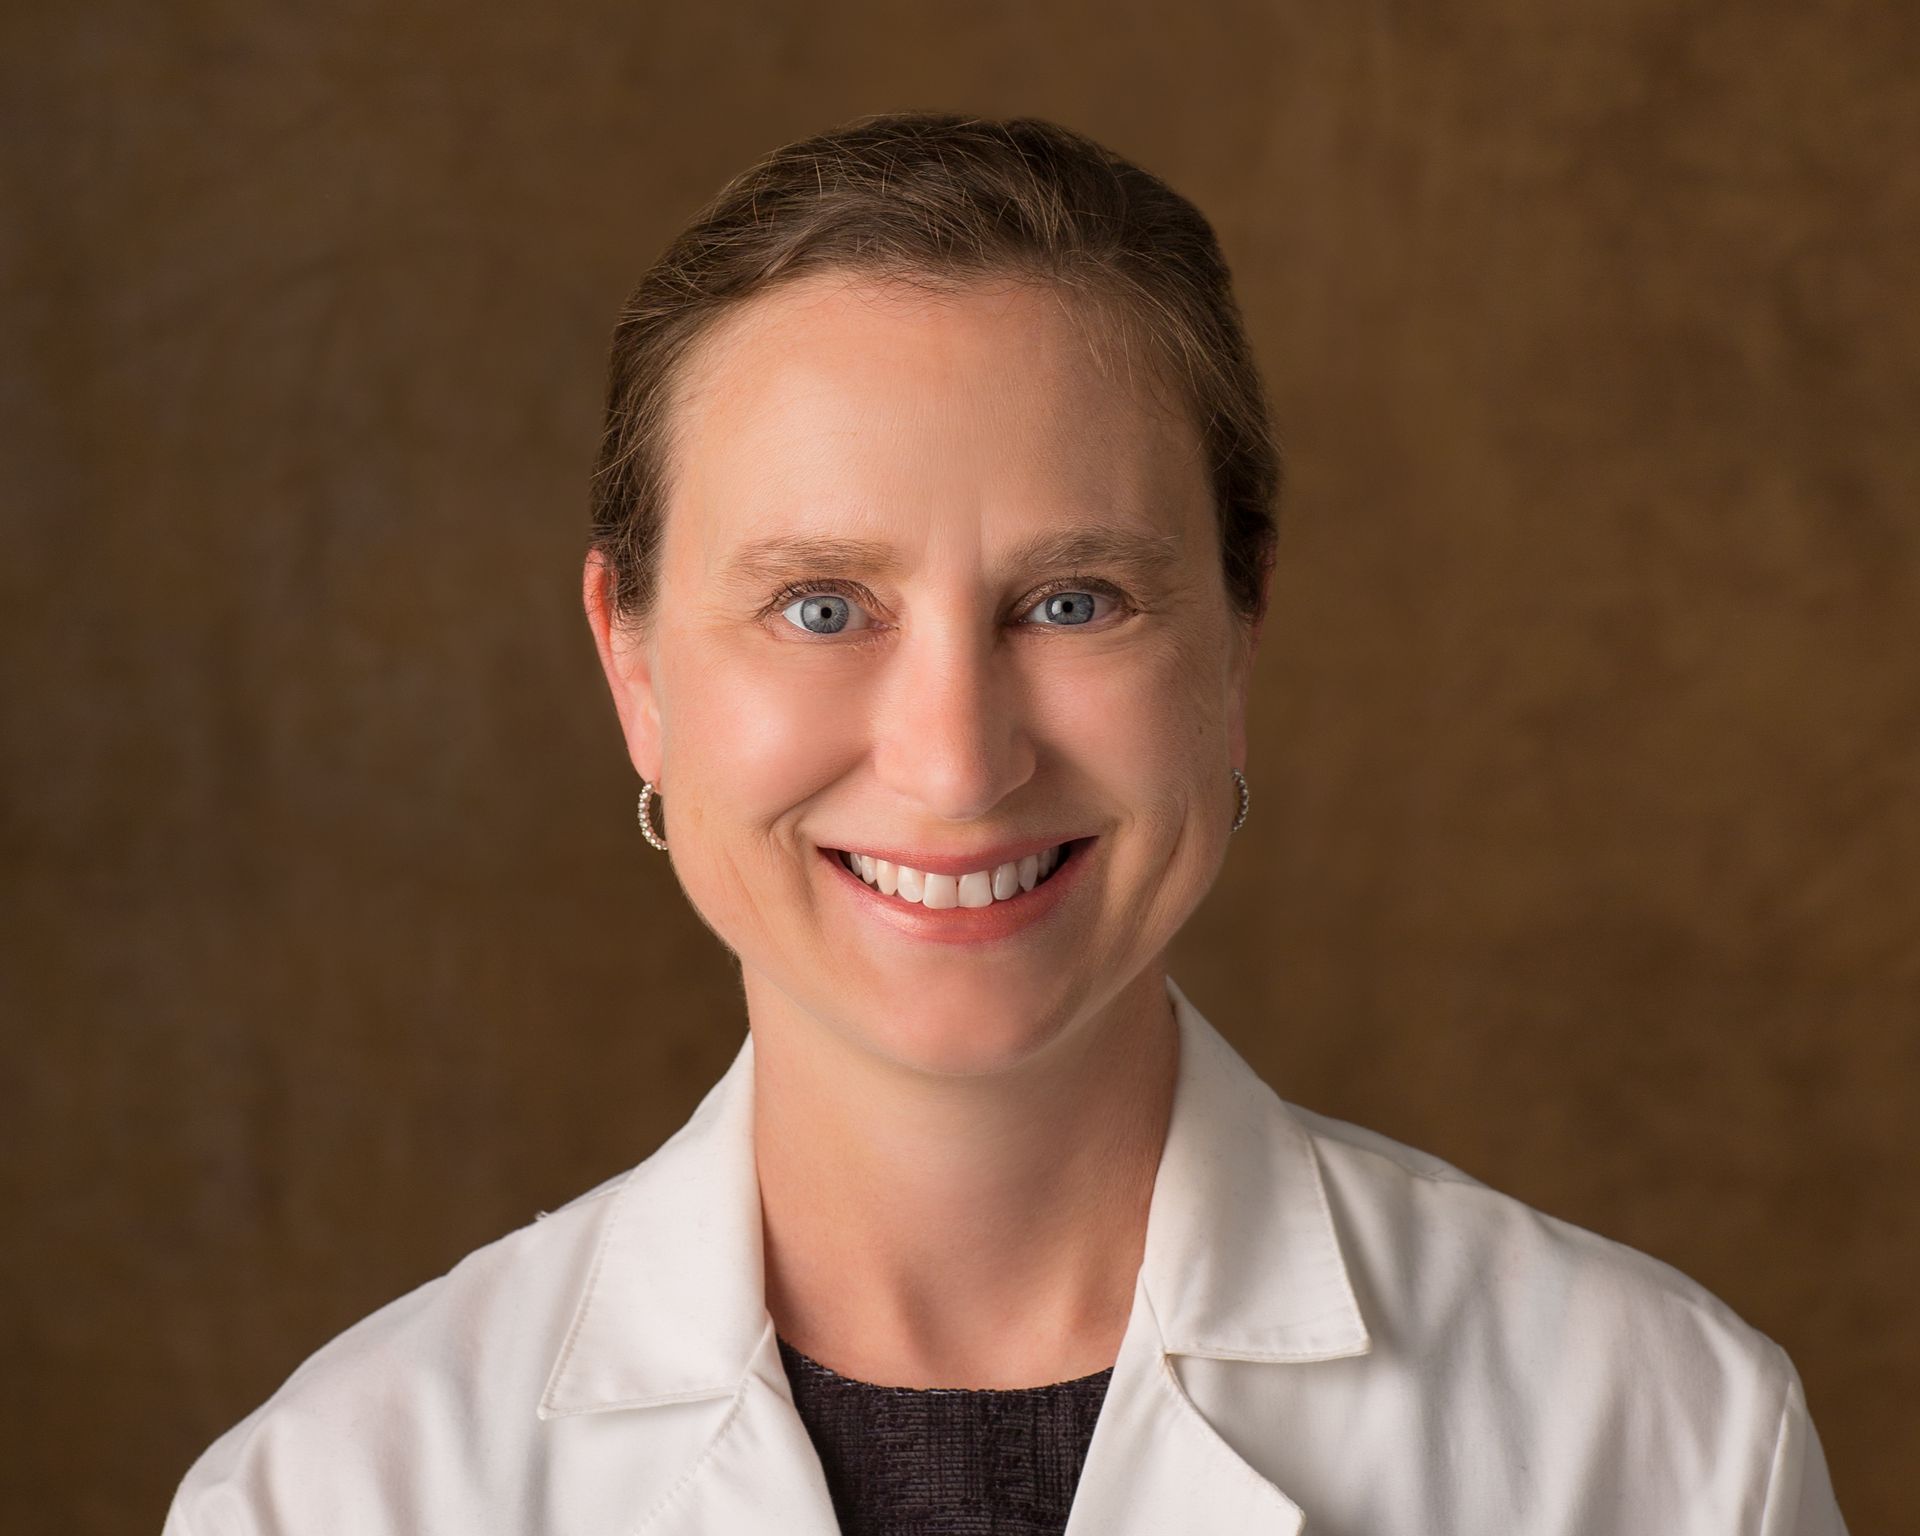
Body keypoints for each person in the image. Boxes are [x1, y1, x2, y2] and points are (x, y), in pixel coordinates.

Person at [164, 111, 1849, 1535]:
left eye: (1074, 601)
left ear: (1241, 635)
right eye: (822, 607)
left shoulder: (1666, 1450)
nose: (958, 761)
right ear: (635, 669)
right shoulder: (327, 1496)